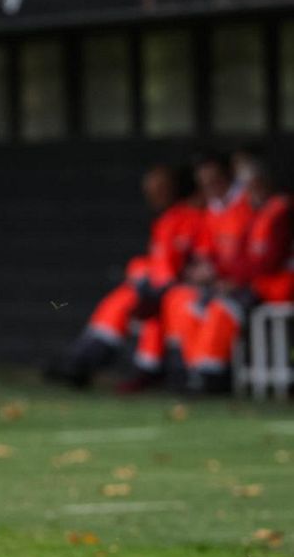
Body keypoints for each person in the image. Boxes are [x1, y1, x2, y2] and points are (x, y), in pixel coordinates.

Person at [45, 164, 202, 389]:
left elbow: (190, 262)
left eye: (158, 190)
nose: (152, 196)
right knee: (118, 303)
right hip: (156, 288)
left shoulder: (190, 217)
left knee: (152, 306)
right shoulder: (166, 220)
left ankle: (148, 372)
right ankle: (80, 360)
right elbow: (157, 263)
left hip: (175, 289)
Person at [183, 150, 291, 391]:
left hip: (278, 287)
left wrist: (236, 280)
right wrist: (227, 277)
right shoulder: (257, 213)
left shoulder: (281, 211)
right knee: (198, 304)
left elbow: (269, 261)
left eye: (251, 184)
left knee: (224, 307)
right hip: (255, 285)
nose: (248, 191)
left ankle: (212, 376)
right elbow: (242, 258)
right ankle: (197, 371)